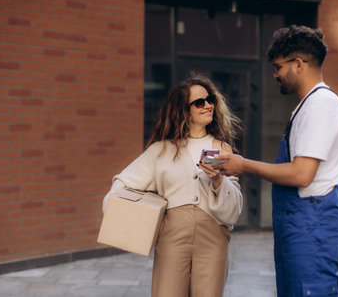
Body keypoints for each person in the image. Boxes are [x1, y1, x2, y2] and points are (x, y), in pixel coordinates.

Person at [215, 25, 338, 297]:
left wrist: (243, 165)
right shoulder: (308, 105)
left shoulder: (321, 105)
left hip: (312, 225)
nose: (275, 75)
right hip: (300, 224)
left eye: (278, 67)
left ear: (298, 64)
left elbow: (302, 174)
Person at [103, 73, 244, 297]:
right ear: (183, 110)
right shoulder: (161, 150)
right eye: (199, 102)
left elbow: (234, 210)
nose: (208, 105)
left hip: (213, 236)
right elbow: (122, 184)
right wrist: (131, 216)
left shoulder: (223, 148)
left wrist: (218, 180)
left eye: (210, 100)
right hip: (172, 236)